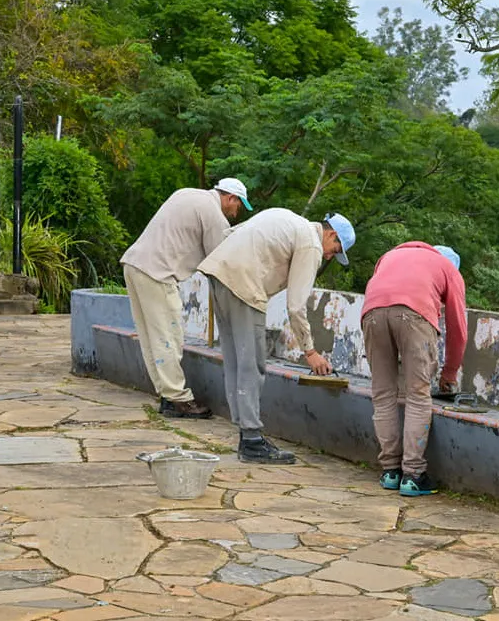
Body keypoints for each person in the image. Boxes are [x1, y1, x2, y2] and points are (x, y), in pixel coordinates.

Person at [198, 208, 356, 464]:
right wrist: (310, 352)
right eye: (334, 251)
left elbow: (232, 232)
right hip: (244, 286)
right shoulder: (311, 243)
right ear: (331, 234)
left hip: (219, 274)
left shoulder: (288, 218)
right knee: (252, 364)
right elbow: (295, 305)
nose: (329, 256)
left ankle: (244, 431)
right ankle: (251, 440)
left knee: (235, 360)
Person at [120, 178, 252, 419]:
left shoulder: (186, 193)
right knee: (169, 336)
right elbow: (219, 261)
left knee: (151, 338)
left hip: (134, 264)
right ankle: (179, 400)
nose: (236, 212)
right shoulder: (214, 214)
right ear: (231, 198)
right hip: (157, 273)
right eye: (238, 206)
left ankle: (167, 395)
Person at [361, 242, 468, 496]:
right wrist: (449, 373)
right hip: (414, 315)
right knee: (418, 395)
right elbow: (458, 331)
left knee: (384, 394)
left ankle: (390, 472)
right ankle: (413, 474)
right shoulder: (449, 269)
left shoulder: (390, 255)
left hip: (371, 314)